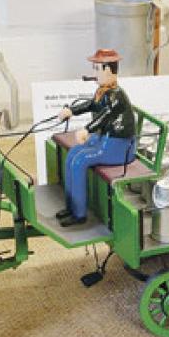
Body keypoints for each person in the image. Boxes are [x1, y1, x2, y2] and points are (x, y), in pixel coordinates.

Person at [55, 49, 136, 227]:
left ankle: (79, 214)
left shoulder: (116, 95)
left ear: (109, 71)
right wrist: (72, 111)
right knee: (73, 154)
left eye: (97, 69)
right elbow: (92, 105)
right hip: (105, 139)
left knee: (80, 160)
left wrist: (87, 129)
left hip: (119, 146)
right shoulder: (102, 91)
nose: (95, 74)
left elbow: (105, 115)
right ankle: (71, 207)